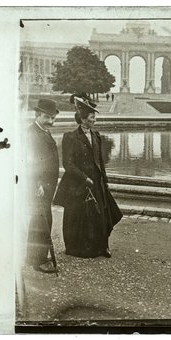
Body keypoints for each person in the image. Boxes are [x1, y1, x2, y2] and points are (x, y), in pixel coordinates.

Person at [54, 95, 123, 258]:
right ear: (83, 119)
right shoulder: (70, 137)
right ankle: (78, 248)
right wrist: (84, 178)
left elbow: (100, 161)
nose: (95, 120)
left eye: (94, 117)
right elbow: (68, 164)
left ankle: (102, 246)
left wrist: (104, 181)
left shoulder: (96, 136)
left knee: (102, 214)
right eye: (92, 117)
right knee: (79, 216)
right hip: (78, 183)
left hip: (96, 182)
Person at [25, 99, 60, 274]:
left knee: (40, 219)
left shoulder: (42, 131)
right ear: (37, 115)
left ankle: (32, 257)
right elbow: (31, 162)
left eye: (53, 118)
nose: (51, 121)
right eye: (47, 117)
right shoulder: (32, 133)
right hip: (39, 186)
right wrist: (37, 183)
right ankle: (39, 260)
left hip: (46, 185)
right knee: (42, 221)